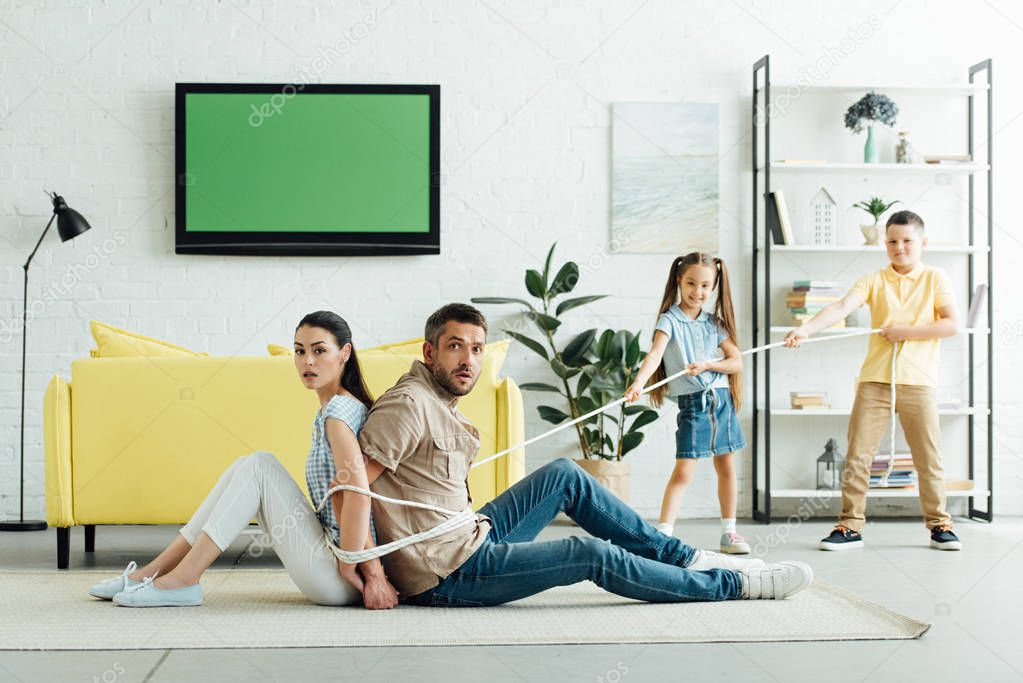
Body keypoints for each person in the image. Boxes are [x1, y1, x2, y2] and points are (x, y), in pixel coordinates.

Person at [355, 303, 813, 607]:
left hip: (467, 535)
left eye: (476, 349)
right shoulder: (410, 404)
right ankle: (731, 586)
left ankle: (686, 558)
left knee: (564, 474)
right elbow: (352, 489)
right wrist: (373, 575)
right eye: (455, 347)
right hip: (448, 572)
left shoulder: (437, 400)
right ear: (429, 351)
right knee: (589, 553)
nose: (468, 361)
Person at [88, 311, 401, 608]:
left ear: (345, 353)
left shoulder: (338, 412)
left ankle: (183, 579)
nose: (307, 361)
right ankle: (152, 573)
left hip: (338, 576)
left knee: (258, 466)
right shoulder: (340, 408)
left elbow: (357, 493)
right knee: (248, 465)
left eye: (319, 351)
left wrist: (356, 568)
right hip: (334, 562)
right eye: (299, 351)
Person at [784, 211, 962, 551]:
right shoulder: (873, 279)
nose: (900, 247)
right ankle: (850, 526)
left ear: (923, 243)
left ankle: (940, 525)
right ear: (885, 244)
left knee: (929, 456)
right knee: (857, 456)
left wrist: (904, 332)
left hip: (919, 382)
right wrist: (805, 329)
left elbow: (952, 324)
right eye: (892, 241)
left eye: (907, 241)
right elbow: (840, 307)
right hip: (874, 381)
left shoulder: (936, 278)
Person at [624, 253, 750, 554]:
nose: (698, 292)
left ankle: (728, 533)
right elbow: (655, 354)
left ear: (715, 285)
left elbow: (736, 362)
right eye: (691, 283)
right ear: (679, 282)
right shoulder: (670, 320)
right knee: (684, 471)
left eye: (706, 285)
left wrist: (708, 365)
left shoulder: (714, 324)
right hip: (694, 404)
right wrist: (638, 384)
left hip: (721, 402)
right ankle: (663, 535)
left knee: (727, 468)